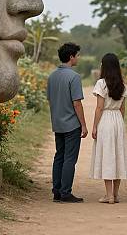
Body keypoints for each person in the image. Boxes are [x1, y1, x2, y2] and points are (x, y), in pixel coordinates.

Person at [47, 42, 88, 203]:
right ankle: (65, 193)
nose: (78, 58)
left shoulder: (52, 76)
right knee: (70, 159)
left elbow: (51, 101)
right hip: (71, 124)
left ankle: (57, 191)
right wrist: (83, 124)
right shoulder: (74, 77)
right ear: (71, 57)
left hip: (58, 123)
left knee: (59, 156)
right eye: (77, 55)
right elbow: (77, 103)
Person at [90, 53, 127, 204]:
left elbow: (99, 108)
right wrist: (120, 124)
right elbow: (123, 109)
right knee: (118, 155)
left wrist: (94, 126)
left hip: (105, 120)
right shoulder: (123, 84)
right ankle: (116, 194)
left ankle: (109, 196)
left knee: (107, 156)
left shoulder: (101, 84)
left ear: (104, 66)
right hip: (118, 120)